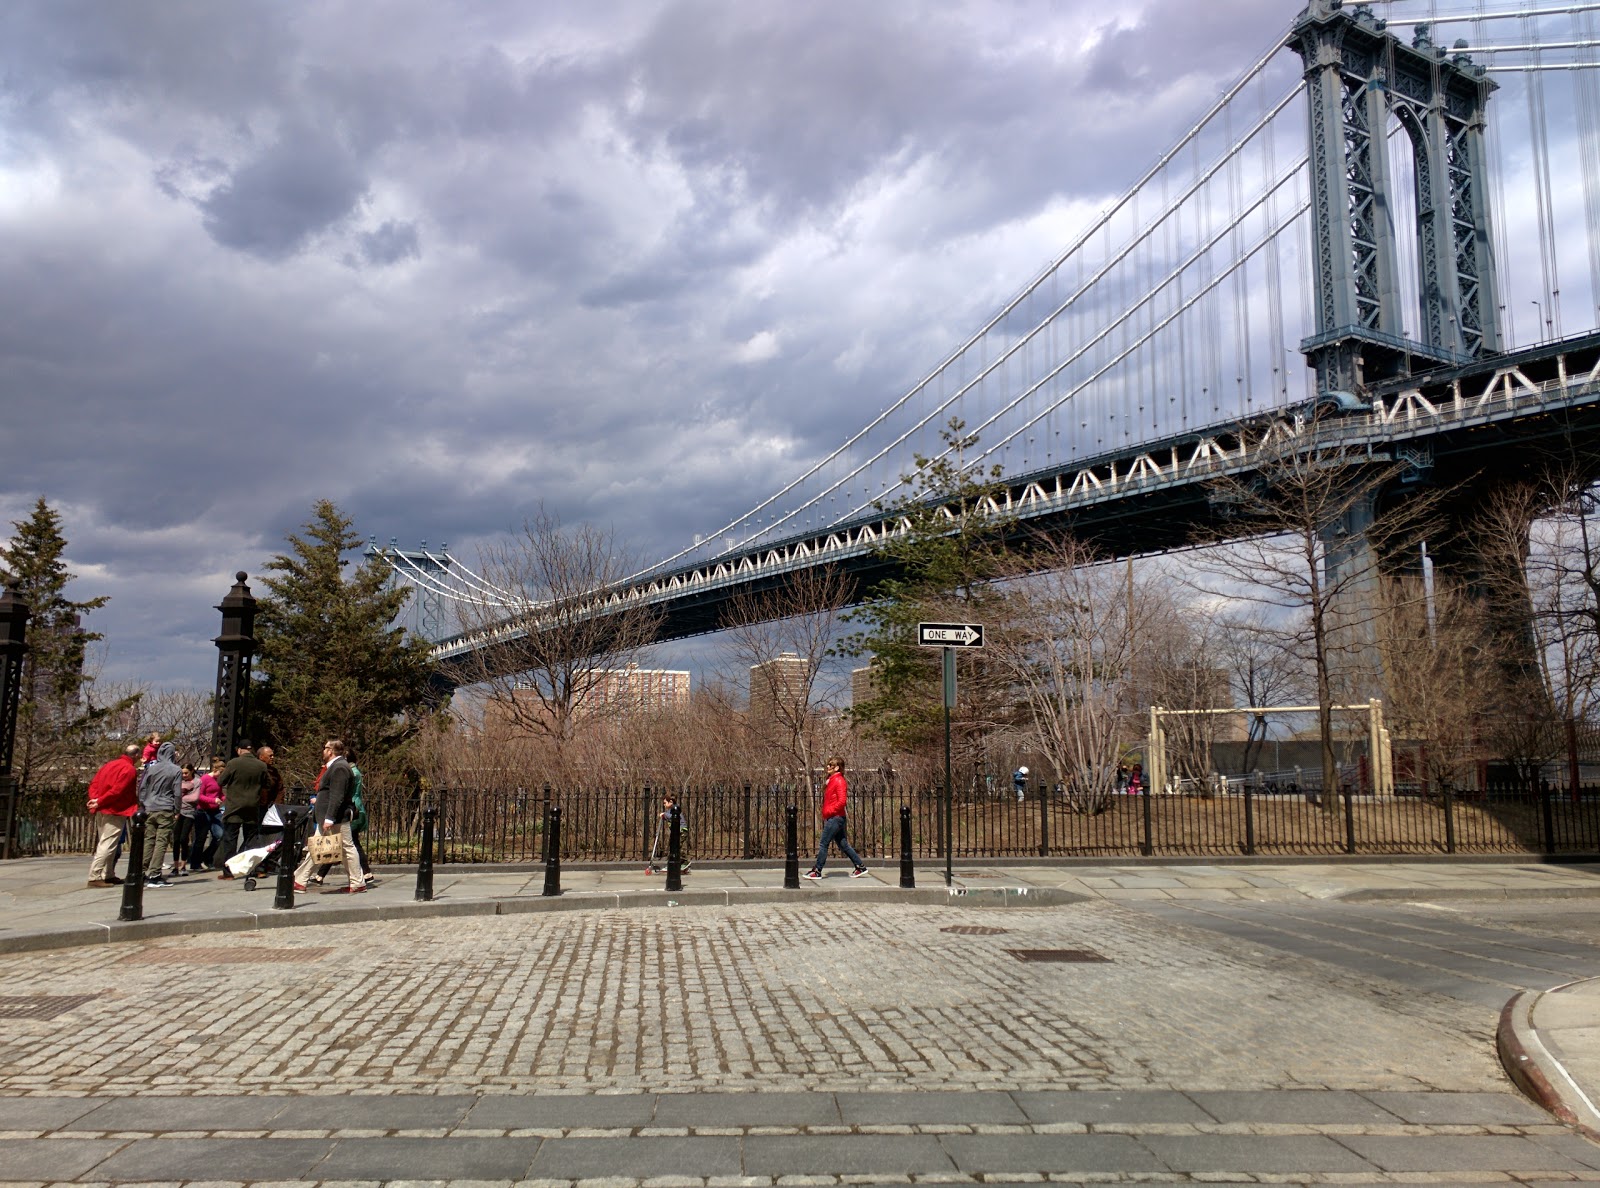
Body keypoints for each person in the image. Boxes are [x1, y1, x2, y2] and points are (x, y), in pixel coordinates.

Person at [294, 739, 365, 893]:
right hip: (331, 817)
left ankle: (299, 880)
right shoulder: (336, 766)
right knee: (328, 847)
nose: (323, 751)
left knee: (344, 848)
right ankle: (300, 880)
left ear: (331, 751)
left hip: (335, 818)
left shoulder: (339, 767)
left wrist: (329, 817)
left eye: (325, 748)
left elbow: (337, 795)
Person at [85, 745, 140, 888]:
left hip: (102, 807)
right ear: (135, 755)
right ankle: (95, 876)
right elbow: (118, 791)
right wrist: (100, 801)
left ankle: (108, 874)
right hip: (116, 809)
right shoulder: (129, 769)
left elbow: (94, 783)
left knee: (110, 843)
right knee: (108, 843)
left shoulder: (109, 765)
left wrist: (96, 800)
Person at [805, 757, 868, 880]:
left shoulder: (839, 781)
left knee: (823, 843)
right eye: (828, 765)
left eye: (831, 765)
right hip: (835, 817)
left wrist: (829, 811)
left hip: (835, 818)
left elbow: (842, 801)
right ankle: (860, 866)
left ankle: (817, 870)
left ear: (837, 768)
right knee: (844, 845)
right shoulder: (831, 781)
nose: (827, 767)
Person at [216, 741, 268, 879]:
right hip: (252, 806)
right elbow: (267, 783)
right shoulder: (261, 765)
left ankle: (229, 872)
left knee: (230, 839)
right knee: (252, 839)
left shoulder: (234, 763)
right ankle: (255, 869)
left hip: (234, 806)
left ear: (239, 750)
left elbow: (221, 781)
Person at [137, 741, 183, 887]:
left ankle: (141, 871)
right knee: (161, 841)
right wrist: (177, 809)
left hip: (150, 807)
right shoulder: (175, 770)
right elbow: (177, 793)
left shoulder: (151, 768)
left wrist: (143, 803)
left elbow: (142, 788)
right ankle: (155, 873)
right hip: (166, 807)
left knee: (149, 840)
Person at [189, 758, 225, 871]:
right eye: (220, 773)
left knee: (220, 835)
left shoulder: (219, 781)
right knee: (201, 837)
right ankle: (195, 862)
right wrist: (212, 800)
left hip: (215, 811)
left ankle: (207, 857)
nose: (220, 776)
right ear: (215, 770)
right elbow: (199, 796)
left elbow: (220, 794)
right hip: (203, 811)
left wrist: (224, 798)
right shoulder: (204, 779)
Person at [174, 763, 199, 877]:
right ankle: (175, 867)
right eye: (182, 773)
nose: (184, 775)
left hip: (189, 812)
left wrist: (181, 796)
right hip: (178, 812)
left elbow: (194, 798)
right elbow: (173, 796)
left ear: (191, 771)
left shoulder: (197, 782)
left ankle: (183, 865)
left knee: (184, 838)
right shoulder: (177, 781)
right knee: (176, 839)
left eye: (186, 773)